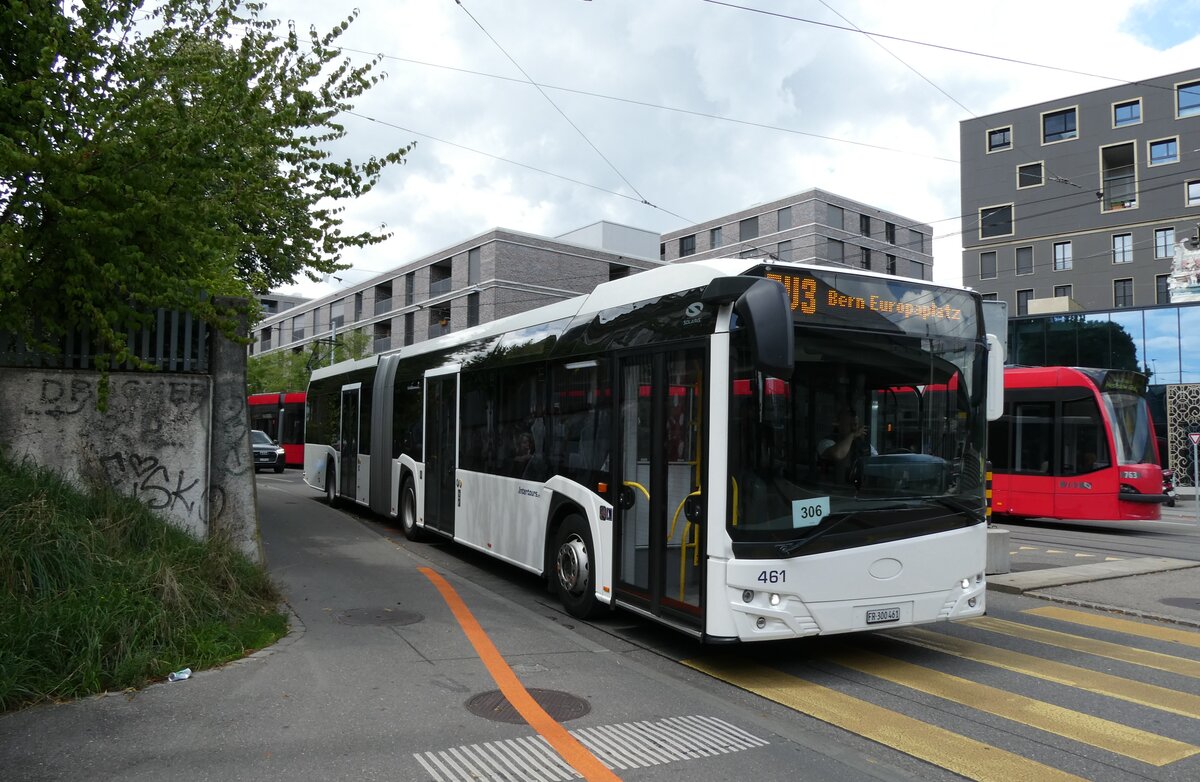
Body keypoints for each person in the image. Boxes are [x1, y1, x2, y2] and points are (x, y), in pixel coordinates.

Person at [817, 406, 874, 485]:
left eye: (855, 424)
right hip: (831, 489)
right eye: (849, 424)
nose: (854, 428)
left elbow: (876, 462)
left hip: (858, 488)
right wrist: (852, 435)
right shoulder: (826, 442)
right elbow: (838, 454)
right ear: (838, 424)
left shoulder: (863, 444)